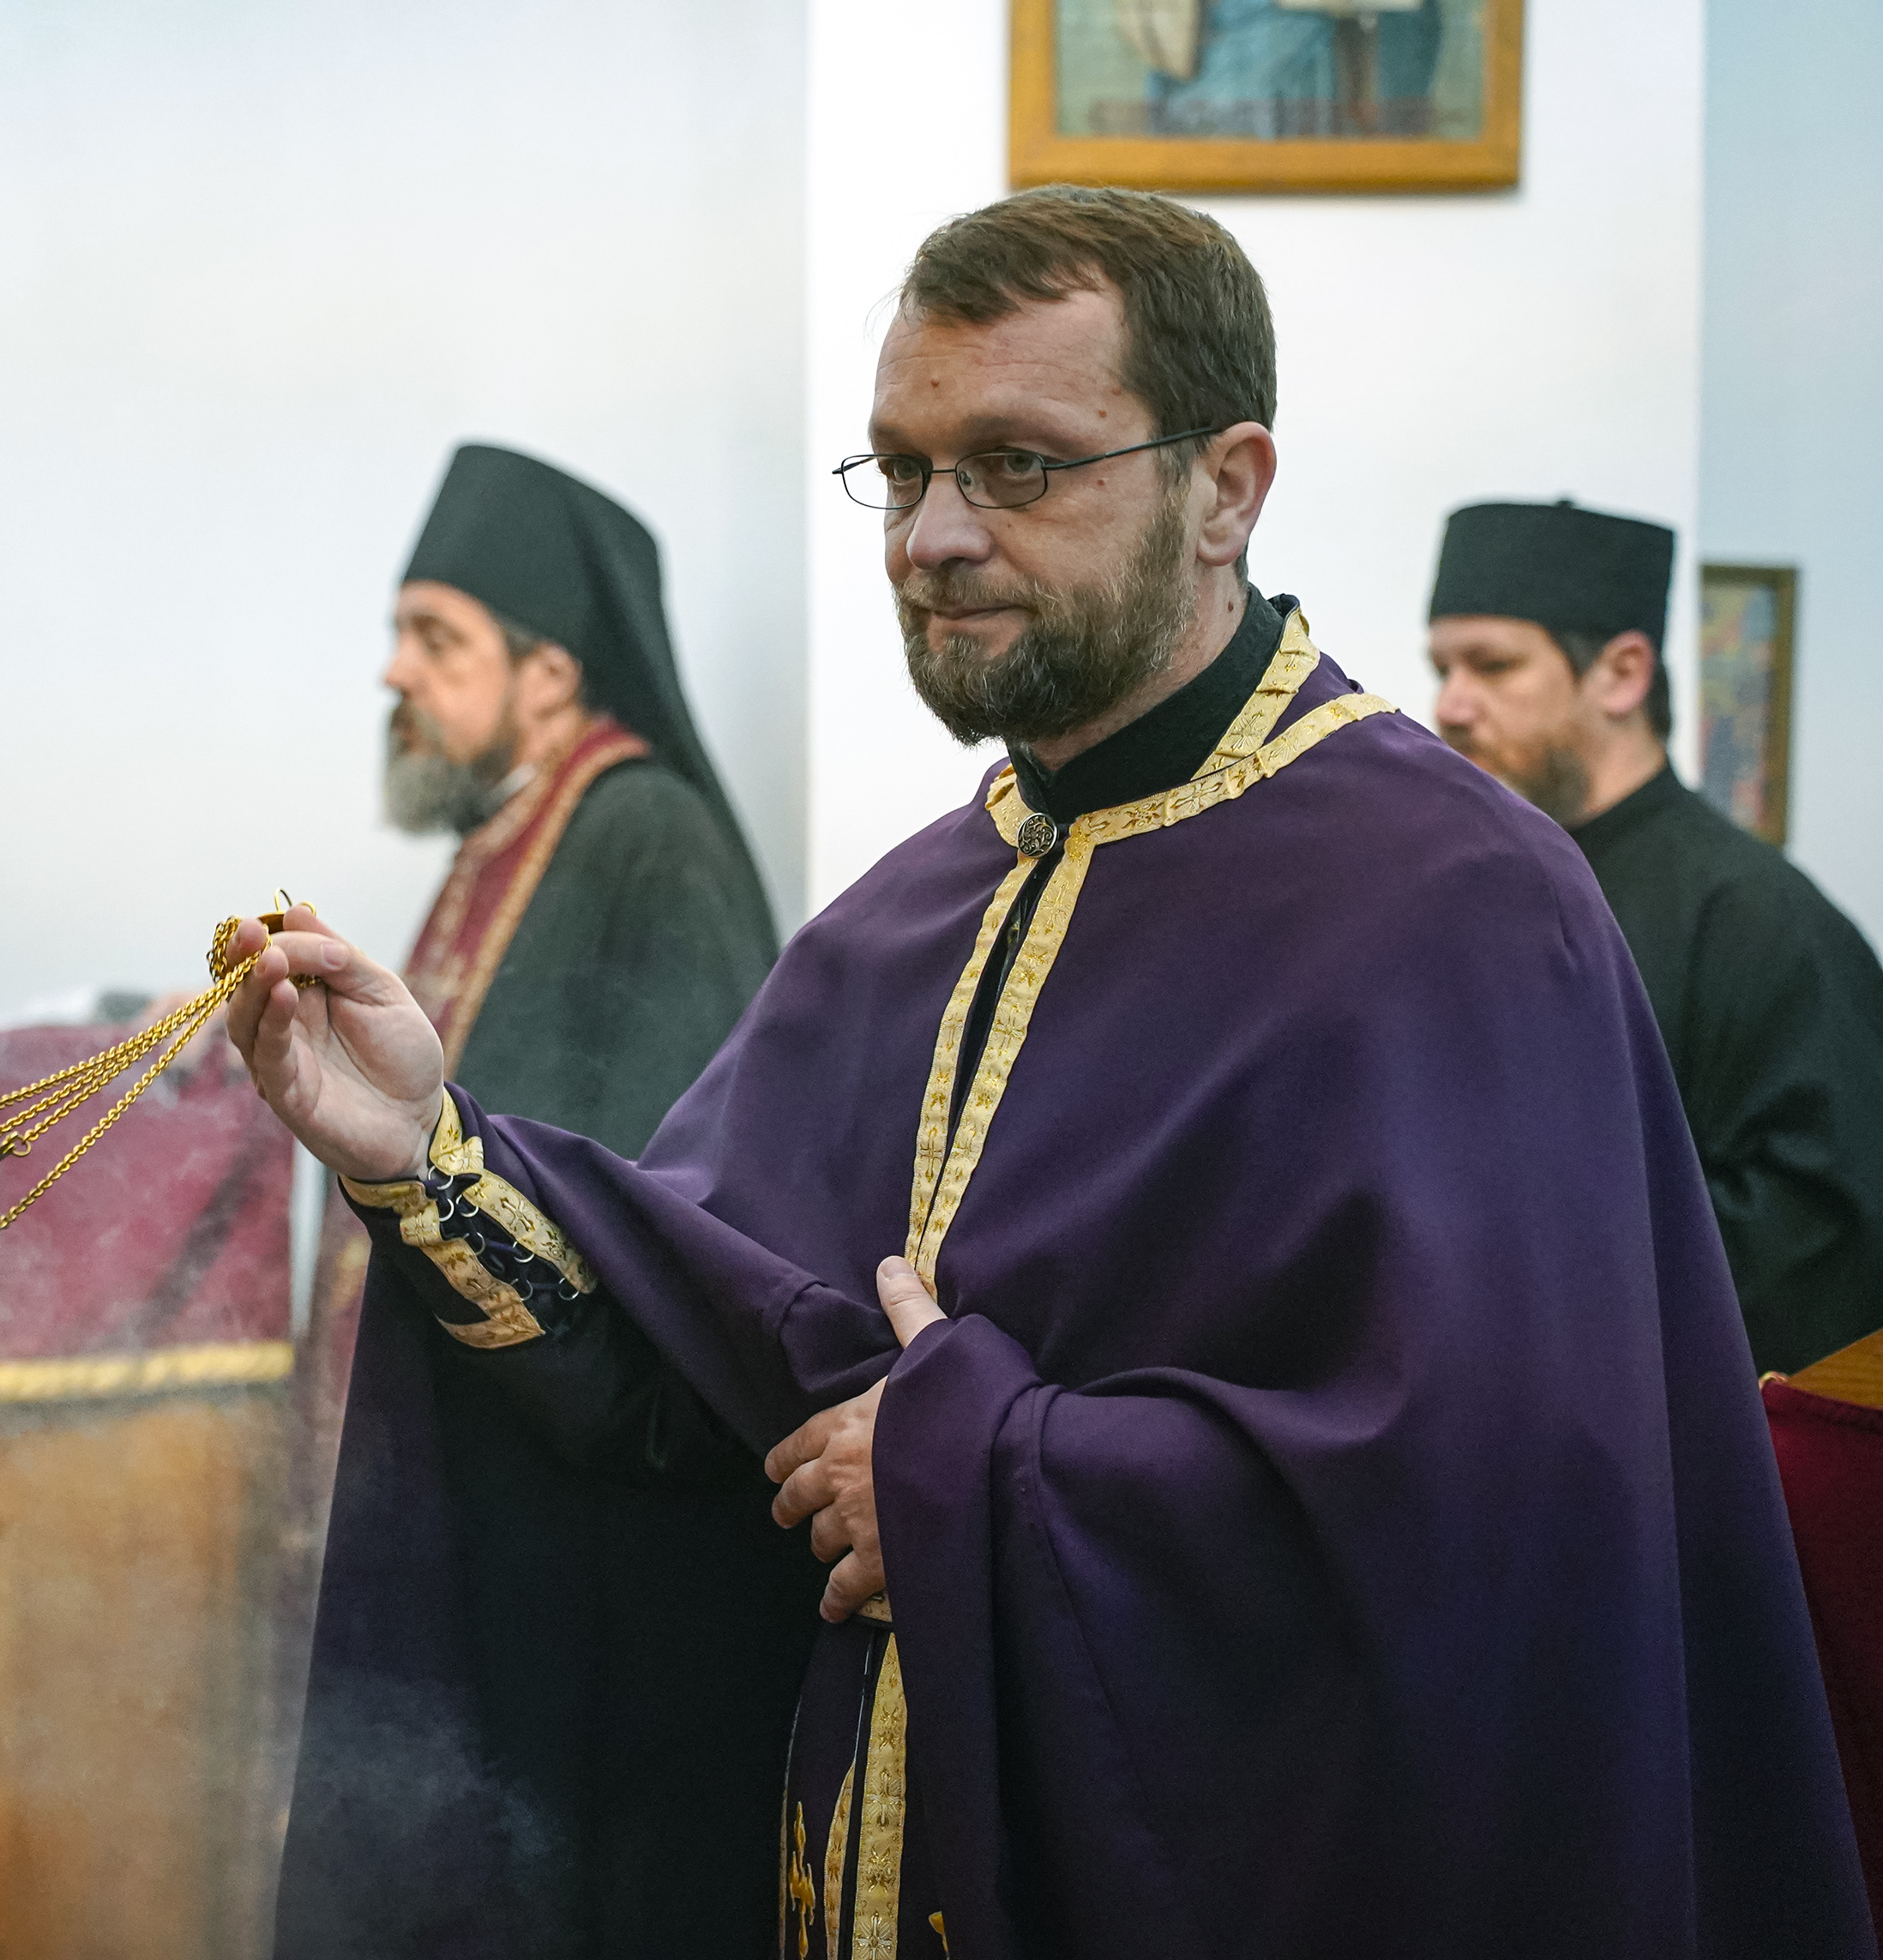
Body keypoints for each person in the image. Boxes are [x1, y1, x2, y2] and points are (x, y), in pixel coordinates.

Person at [235, 187, 1869, 1957]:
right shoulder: (904, 919)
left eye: (1017, 465)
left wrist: (970, 1480)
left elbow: (1499, 1542)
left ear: (1224, 489)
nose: (935, 536)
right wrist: (420, 1151)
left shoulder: (1459, 909)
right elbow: (706, 1364)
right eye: (900, 469)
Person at [278, 444, 807, 1957]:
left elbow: (665, 1201)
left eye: (436, 637)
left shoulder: (647, 837)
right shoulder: (499, 837)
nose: (394, 670)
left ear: (554, 670)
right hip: (485, 1477)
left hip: (587, 1521)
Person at [1428, 499, 1883, 1376]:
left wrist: (1529, 1260)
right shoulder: (1473, 885)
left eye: (1492, 665)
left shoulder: (1758, 918)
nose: (1450, 704)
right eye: (1441, 668)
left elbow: (1820, 1242)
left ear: (1621, 675)